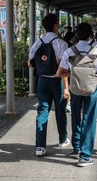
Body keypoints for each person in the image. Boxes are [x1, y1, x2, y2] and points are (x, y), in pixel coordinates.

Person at [57, 22, 97, 167]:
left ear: (76, 35)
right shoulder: (96, 50)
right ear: (90, 35)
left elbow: (59, 73)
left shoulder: (70, 51)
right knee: (89, 119)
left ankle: (76, 148)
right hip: (91, 90)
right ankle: (85, 156)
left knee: (75, 117)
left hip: (75, 89)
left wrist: (74, 74)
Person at [28, 13, 70, 156]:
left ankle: (40, 147)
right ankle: (63, 139)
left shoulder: (38, 42)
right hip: (57, 81)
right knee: (60, 111)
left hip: (42, 81)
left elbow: (30, 62)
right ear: (55, 25)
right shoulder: (61, 43)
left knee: (42, 111)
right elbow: (64, 68)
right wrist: (66, 88)